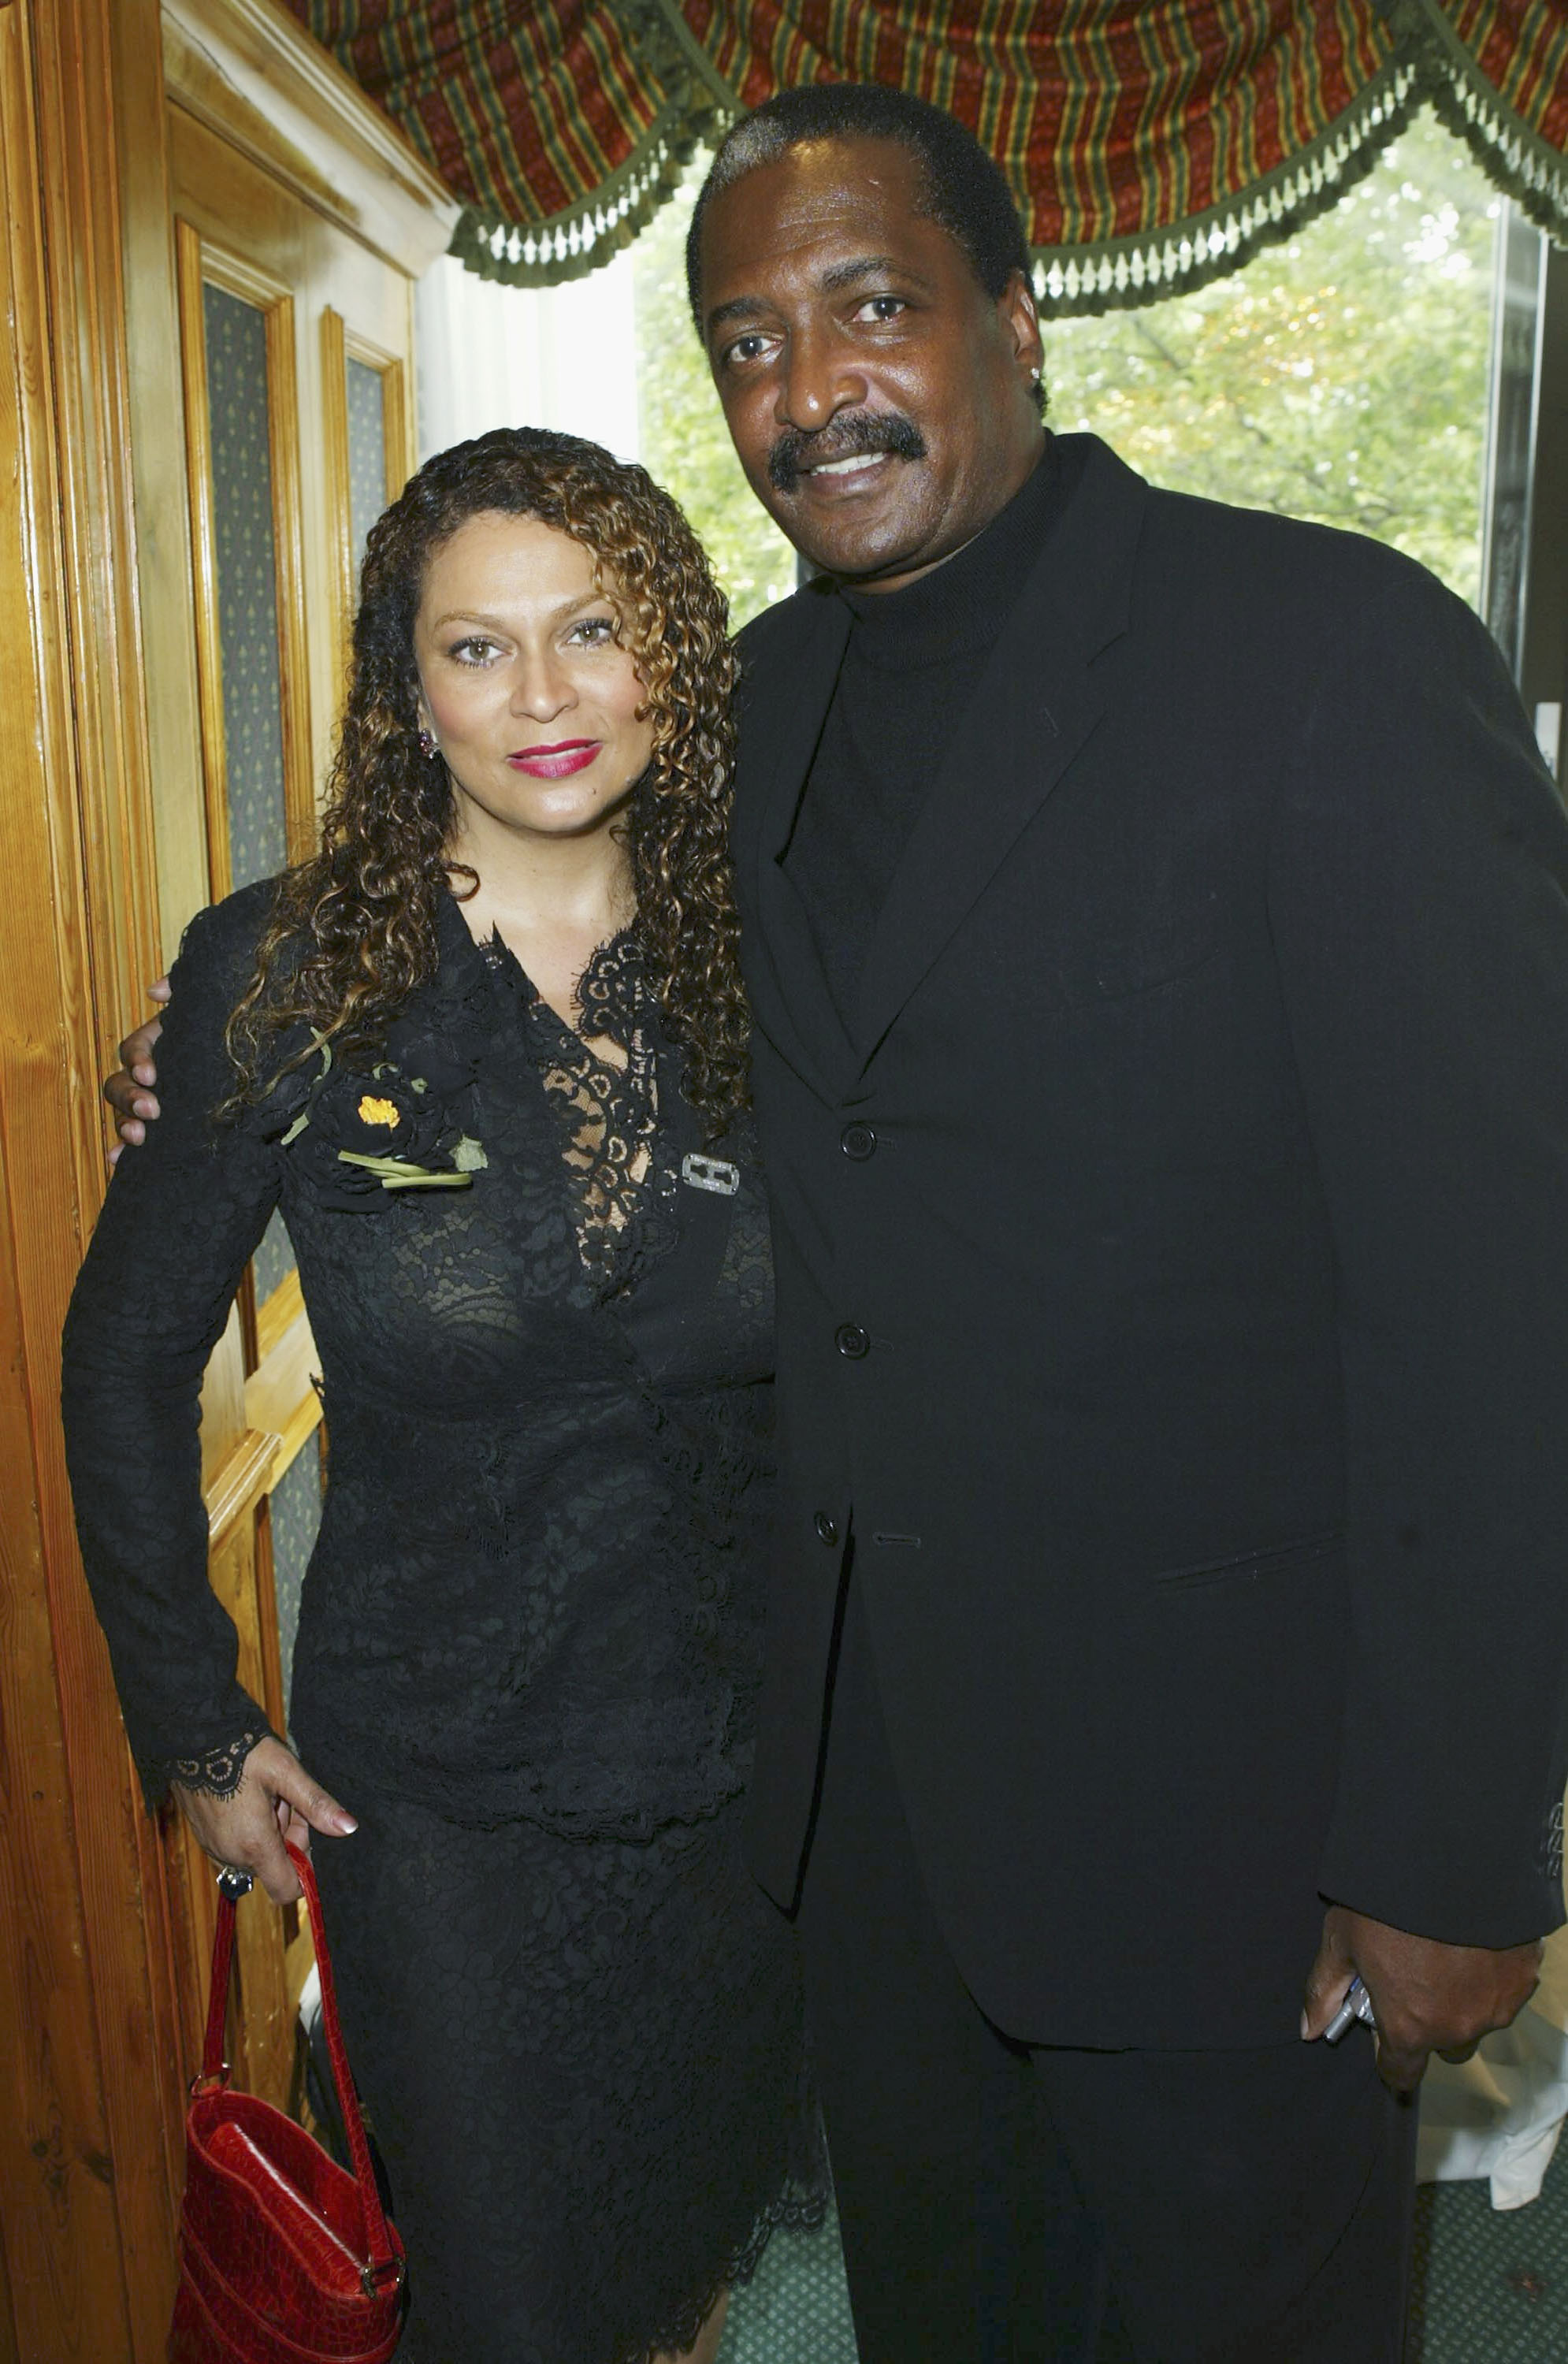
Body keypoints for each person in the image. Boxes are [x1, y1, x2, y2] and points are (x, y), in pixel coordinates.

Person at [106, 83, 1568, 2364]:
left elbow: (1491, 1303)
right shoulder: (744, 721)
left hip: (1221, 1831)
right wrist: (208, 1069)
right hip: (849, 1840)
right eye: (749, 341)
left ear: (1013, 310)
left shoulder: (1324, 653)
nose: (809, 386)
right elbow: (576, 1025)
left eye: (868, 306)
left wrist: (1452, 1849)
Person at [66, 426, 823, 2364]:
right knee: (506, 2310)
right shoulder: (290, 972)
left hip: (757, 1784)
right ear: (407, 696)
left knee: (670, 2282)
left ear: (675, 646)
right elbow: (126, 1350)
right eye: (475, 649)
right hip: (444, 1805)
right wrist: (191, 1719)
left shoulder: (799, 942)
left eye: (590, 629)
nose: (544, 695)